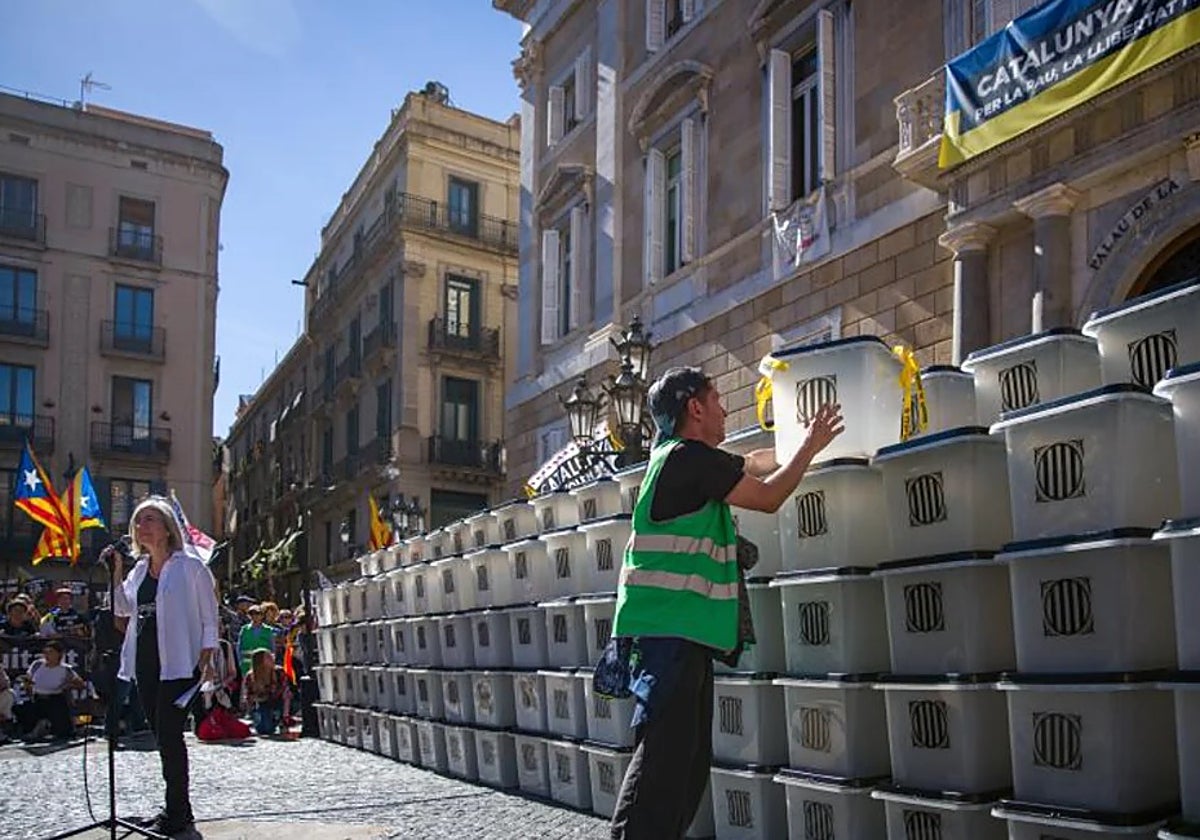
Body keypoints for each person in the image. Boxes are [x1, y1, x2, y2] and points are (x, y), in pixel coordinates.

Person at [608, 366, 843, 839]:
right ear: (694, 407)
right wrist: (810, 448)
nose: (724, 407)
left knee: (687, 763)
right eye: (716, 399)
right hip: (670, 633)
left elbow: (754, 461)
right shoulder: (689, 460)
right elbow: (771, 495)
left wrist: (808, 444)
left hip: (679, 632)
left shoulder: (679, 458)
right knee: (664, 761)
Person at [107, 497, 219, 836]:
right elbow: (123, 608)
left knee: (170, 736)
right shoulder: (139, 570)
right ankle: (175, 807)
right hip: (145, 659)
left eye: (151, 519)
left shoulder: (190, 567)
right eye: (139, 521)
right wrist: (115, 573)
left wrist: (207, 653)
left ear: (168, 527)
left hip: (178, 662)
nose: (143, 526)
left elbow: (208, 612)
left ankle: (179, 812)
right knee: (160, 735)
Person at [15, 639, 85, 742]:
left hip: (55, 699)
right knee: (22, 710)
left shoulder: (65, 669)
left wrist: (68, 685)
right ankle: (37, 729)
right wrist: (26, 683)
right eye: (45, 652)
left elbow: (80, 683)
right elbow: (28, 678)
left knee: (63, 728)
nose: (47, 655)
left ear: (59, 654)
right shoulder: (37, 664)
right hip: (37, 698)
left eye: (51, 652)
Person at [240, 648, 290, 736]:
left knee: (287, 694)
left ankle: (284, 721)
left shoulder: (279, 672)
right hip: (260, 704)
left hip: (277, 702)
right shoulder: (251, 677)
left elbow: (282, 689)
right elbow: (248, 696)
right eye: (268, 657)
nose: (272, 658)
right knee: (264, 729)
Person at [237, 606, 273, 675]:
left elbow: (272, 648)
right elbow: (239, 647)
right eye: (251, 614)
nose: (254, 616)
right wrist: (240, 662)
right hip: (246, 666)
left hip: (263, 664)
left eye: (257, 613)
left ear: (262, 616)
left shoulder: (268, 630)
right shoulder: (244, 629)